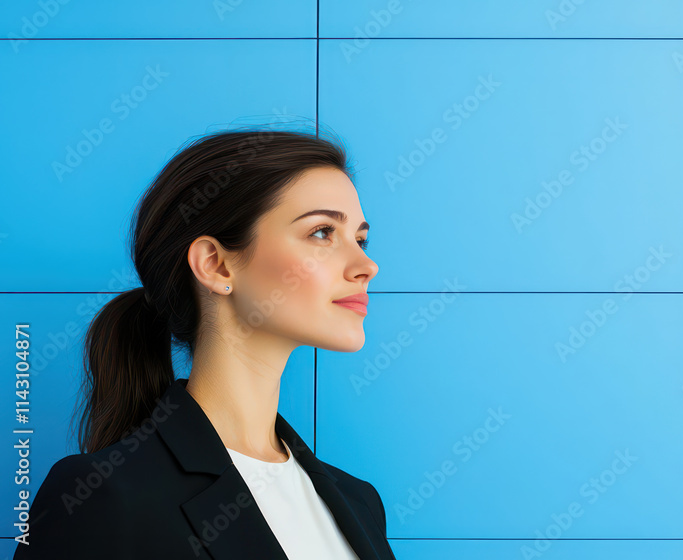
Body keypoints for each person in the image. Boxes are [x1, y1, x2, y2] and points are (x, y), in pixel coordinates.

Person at [12, 127, 396, 559]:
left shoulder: (361, 503)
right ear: (215, 265)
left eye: (360, 239)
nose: (367, 265)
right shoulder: (102, 495)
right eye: (323, 232)